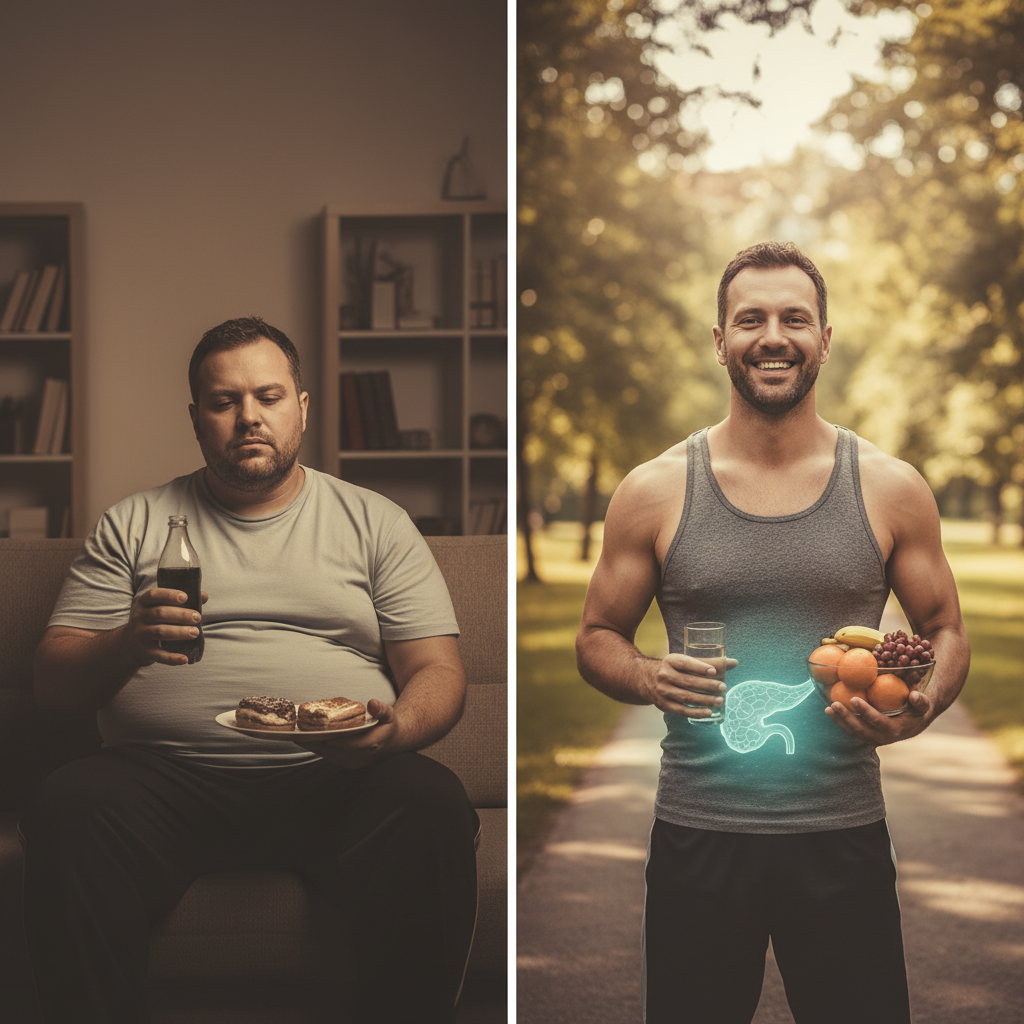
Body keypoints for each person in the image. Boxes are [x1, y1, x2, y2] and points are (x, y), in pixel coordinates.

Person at [24, 316, 478, 1024]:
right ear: (196, 418)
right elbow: (51, 684)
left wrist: (395, 732)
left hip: (336, 777)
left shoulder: (376, 522)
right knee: (66, 802)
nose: (248, 418)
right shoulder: (133, 523)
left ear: (301, 406)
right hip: (162, 779)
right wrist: (125, 644)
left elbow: (439, 672)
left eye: (267, 396)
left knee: (431, 801)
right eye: (224, 402)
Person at [575, 242, 970, 1024]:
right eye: (750, 318)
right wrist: (650, 676)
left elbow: (945, 629)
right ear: (719, 340)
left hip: (844, 835)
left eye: (795, 317)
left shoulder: (890, 487)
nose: (773, 335)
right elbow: (596, 637)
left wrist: (924, 704)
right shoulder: (654, 490)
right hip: (697, 835)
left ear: (825, 337)